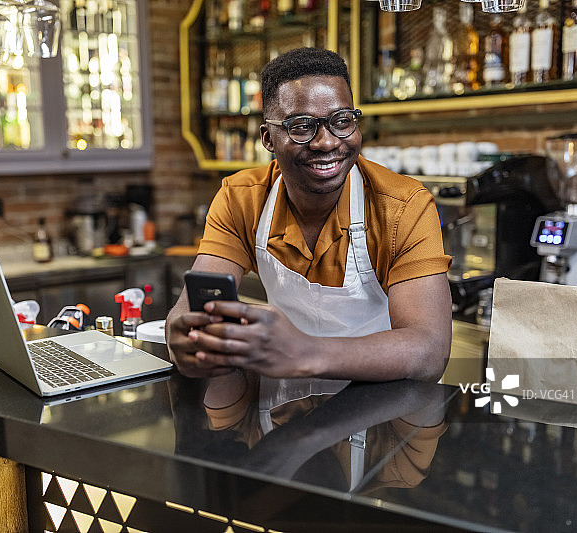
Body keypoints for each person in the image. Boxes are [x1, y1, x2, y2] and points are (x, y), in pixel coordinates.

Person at [166, 47, 452, 382]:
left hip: (384, 402)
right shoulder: (240, 199)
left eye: (342, 121)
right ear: (268, 138)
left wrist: (306, 353)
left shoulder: (403, 207)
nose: (326, 142)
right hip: (285, 400)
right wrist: (182, 337)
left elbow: (429, 351)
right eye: (302, 127)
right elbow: (190, 310)